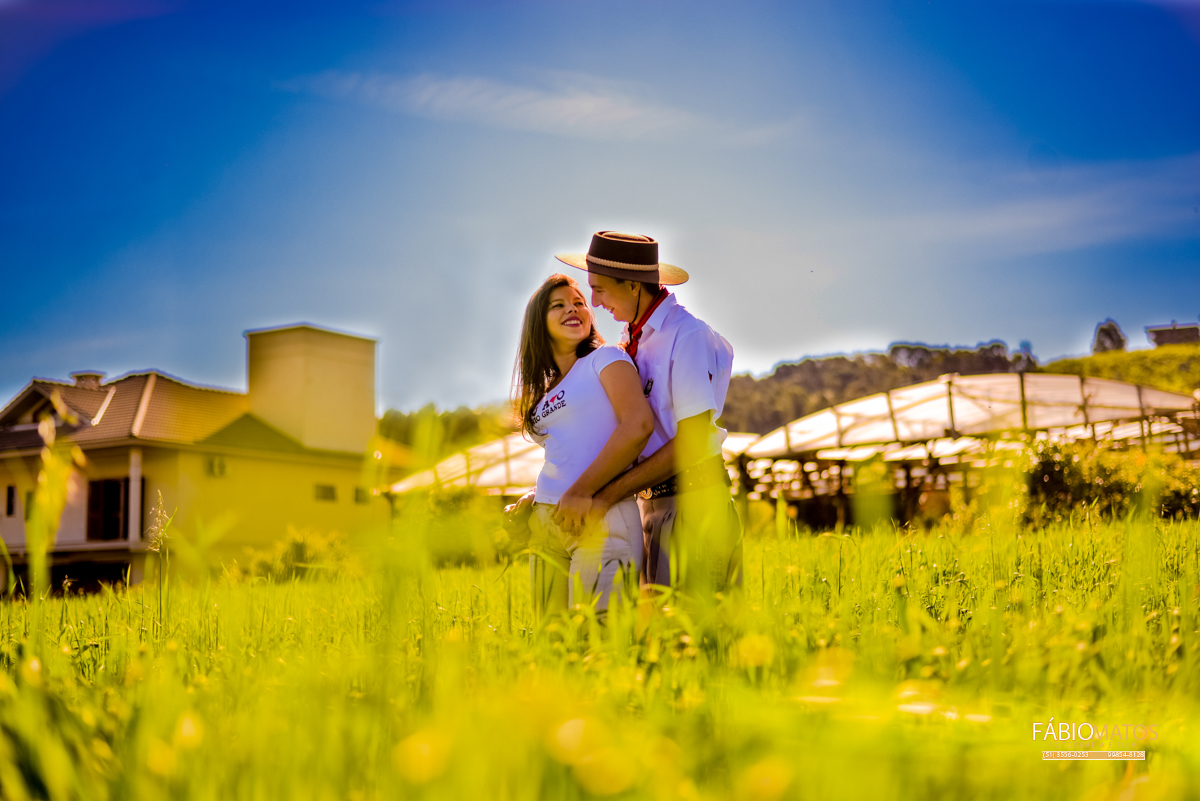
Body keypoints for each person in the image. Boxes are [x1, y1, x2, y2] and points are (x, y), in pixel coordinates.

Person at [554, 231, 743, 598]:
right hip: (651, 503)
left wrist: (606, 496)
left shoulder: (686, 336)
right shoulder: (632, 341)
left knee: (696, 637)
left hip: (694, 502)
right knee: (658, 637)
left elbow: (690, 441)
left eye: (602, 289)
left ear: (633, 286)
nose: (594, 301)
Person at [508, 273, 654, 619]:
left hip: (598, 515)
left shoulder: (605, 359)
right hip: (548, 523)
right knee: (553, 645)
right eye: (557, 305)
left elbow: (638, 425)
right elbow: (571, 450)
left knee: (600, 638)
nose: (572, 309)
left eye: (579, 303)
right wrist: (535, 495)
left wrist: (581, 490)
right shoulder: (546, 389)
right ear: (538, 324)